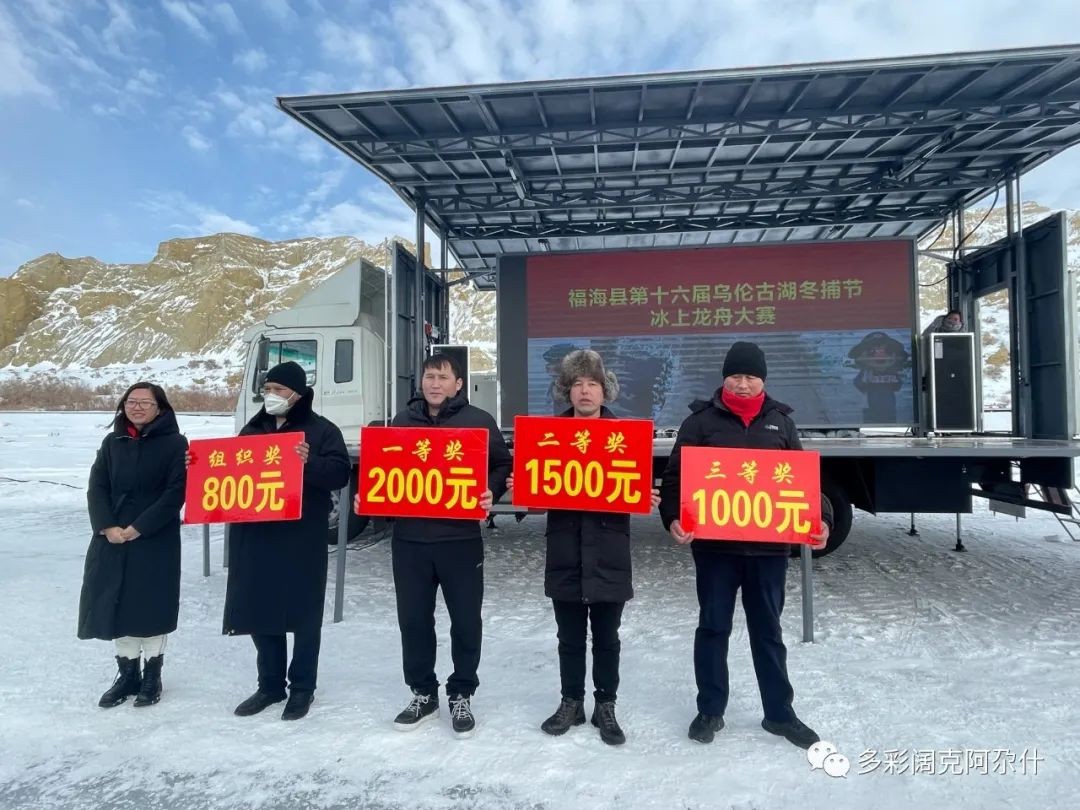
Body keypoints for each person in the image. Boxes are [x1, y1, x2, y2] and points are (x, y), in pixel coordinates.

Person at [659, 341, 832, 749]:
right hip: (716, 549)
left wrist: (821, 519)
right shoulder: (700, 423)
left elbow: (805, 481)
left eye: (750, 376)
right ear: (724, 378)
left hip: (768, 551)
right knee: (713, 627)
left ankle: (779, 714)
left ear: (762, 380)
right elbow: (673, 479)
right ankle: (710, 710)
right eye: (735, 375)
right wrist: (672, 519)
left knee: (768, 632)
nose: (742, 383)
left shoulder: (780, 422)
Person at [508, 350, 659, 746]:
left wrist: (645, 495)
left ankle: (605, 705)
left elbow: (632, 489)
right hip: (565, 549)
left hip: (609, 550)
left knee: (607, 637)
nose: (585, 391)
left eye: (593, 383)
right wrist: (522, 485)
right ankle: (570, 701)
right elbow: (537, 495)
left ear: (605, 391)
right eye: (578, 383)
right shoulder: (547, 438)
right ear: (567, 391)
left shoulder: (626, 438)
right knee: (569, 636)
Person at [361, 352, 511, 737]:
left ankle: (462, 692)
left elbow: (501, 464)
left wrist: (490, 492)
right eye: (430, 376)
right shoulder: (403, 421)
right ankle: (423, 692)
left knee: (465, 621)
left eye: (443, 377)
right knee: (413, 621)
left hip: (460, 540)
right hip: (410, 541)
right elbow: (385, 471)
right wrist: (371, 499)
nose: (435, 384)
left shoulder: (478, 421)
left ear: (458, 384)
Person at [220, 361, 350, 721]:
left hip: (301, 535)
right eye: (268, 390)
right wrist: (200, 464)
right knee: (262, 609)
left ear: (297, 393)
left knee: (304, 613)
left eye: (279, 390)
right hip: (257, 533)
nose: (272, 396)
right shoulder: (254, 428)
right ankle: (270, 684)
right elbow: (232, 470)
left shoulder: (322, 431)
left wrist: (310, 464)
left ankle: (302, 688)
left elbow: (340, 473)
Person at [79, 382, 188, 708]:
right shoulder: (112, 442)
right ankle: (127, 676)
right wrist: (107, 526)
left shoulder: (175, 444)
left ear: (160, 409)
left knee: (150, 607)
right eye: (131, 401)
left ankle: (152, 677)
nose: (137, 407)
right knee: (118, 604)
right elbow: (96, 486)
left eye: (145, 402)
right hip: (112, 538)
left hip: (154, 538)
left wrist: (139, 527)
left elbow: (175, 493)